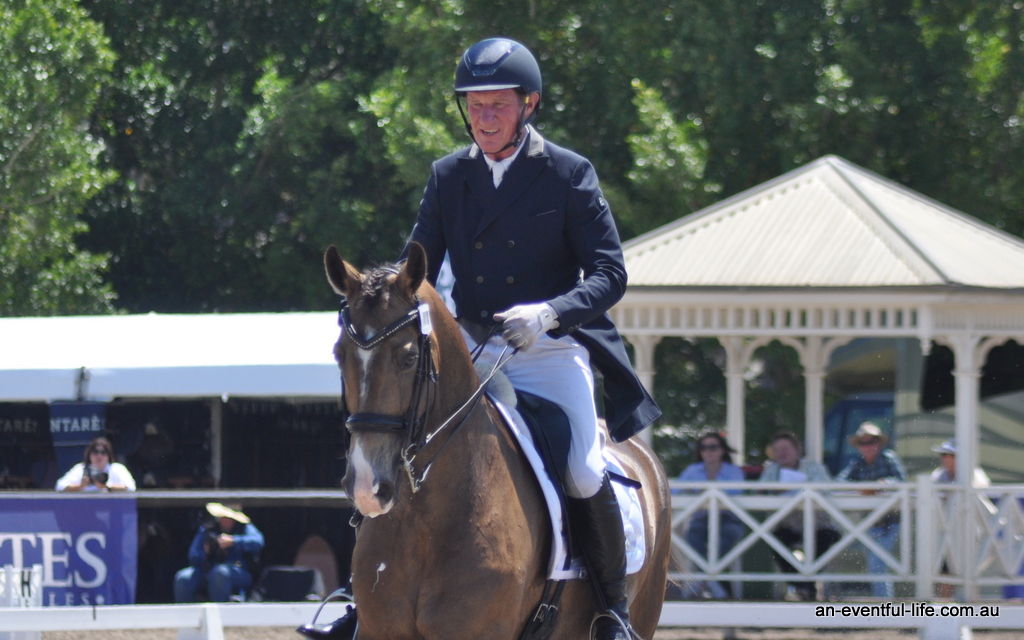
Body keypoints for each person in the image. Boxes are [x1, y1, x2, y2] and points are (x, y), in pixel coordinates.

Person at [298, 37, 660, 640]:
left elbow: (609, 273)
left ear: (528, 105)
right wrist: (377, 290)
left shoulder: (569, 174)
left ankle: (610, 609)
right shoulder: (449, 175)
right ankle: (369, 601)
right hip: (471, 348)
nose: (484, 118)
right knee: (398, 446)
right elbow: (419, 265)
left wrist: (549, 313)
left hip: (547, 348)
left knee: (582, 469)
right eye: (475, 105)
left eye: (498, 105)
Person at [758, 431, 840, 601]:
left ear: (797, 449)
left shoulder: (813, 468)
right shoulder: (771, 471)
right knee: (776, 541)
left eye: (786, 448)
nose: (782, 453)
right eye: (777, 449)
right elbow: (760, 493)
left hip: (817, 524)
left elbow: (826, 491)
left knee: (825, 539)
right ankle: (802, 586)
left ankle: (805, 587)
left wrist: (800, 489)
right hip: (786, 524)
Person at [837, 421, 907, 598]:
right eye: (863, 443)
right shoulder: (856, 463)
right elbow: (839, 483)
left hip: (891, 523)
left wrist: (882, 485)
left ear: (879, 443)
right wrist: (861, 488)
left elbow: (902, 482)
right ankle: (884, 606)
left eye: (871, 442)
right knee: (876, 564)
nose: (868, 447)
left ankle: (884, 606)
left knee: (878, 562)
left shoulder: (889, 458)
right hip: (869, 524)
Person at [677, 431, 745, 599]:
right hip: (701, 518)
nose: (708, 451)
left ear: (722, 450)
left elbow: (737, 492)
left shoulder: (733, 470)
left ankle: (707, 582)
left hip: (728, 518)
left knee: (729, 535)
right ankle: (715, 586)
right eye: (703, 447)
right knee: (693, 535)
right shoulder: (692, 471)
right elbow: (675, 491)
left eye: (713, 447)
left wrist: (702, 491)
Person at [928, 438, 990, 599]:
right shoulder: (938, 475)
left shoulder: (974, 474)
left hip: (969, 531)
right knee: (945, 570)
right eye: (943, 454)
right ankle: (945, 608)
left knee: (970, 572)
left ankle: (973, 610)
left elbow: (978, 495)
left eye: (948, 454)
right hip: (945, 530)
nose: (944, 458)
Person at [174, 503, 264, 603]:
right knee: (183, 578)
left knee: (219, 573)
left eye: (229, 518)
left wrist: (233, 541)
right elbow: (193, 557)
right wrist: (206, 551)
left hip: (239, 571)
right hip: (207, 570)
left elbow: (258, 541)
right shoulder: (207, 529)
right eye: (223, 517)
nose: (225, 521)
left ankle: (220, 613)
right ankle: (187, 615)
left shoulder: (244, 527)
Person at [55, 437, 136, 492]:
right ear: (89, 454)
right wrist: (80, 486)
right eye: (95, 452)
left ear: (109, 455)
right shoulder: (81, 469)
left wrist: (106, 487)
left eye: (103, 452)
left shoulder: (117, 469)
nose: (99, 456)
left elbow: (131, 488)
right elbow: (59, 487)